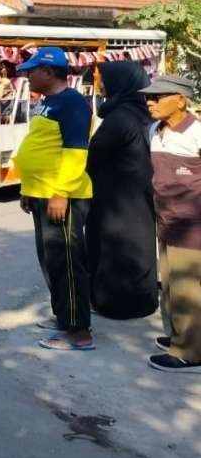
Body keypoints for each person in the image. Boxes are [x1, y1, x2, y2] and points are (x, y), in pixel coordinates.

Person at [15, 47, 94, 351]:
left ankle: (79, 332)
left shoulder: (72, 104)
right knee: (50, 260)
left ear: (48, 72)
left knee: (67, 263)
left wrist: (61, 193)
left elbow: (76, 153)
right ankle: (64, 316)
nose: (26, 75)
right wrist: (27, 189)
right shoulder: (49, 102)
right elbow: (41, 146)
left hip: (62, 196)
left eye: (31, 71)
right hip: (40, 193)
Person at [85, 62, 158, 320]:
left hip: (115, 199)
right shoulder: (140, 113)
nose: (100, 85)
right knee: (138, 246)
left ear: (120, 82)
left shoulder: (119, 118)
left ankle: (116, 303)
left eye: (104, 79)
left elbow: (93, 156)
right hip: (136, 196)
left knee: (115, 249)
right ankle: (143, 300)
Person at [142, 75, 201, 374]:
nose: (150, 102)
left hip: (192, 224)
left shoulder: (197, 133)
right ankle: (178, 335)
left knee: (187, 288)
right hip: (166, 218)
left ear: (181, 100)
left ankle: (190, 353)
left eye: (158, 97)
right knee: (170, 286)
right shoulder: (154, 129)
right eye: (148, 98)